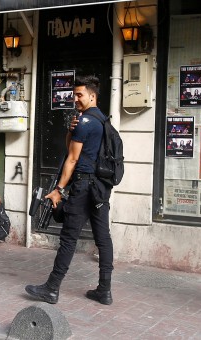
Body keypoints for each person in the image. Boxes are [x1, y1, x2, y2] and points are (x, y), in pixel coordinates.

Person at [25, 75, 114, 305]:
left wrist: (58, 189)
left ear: (92, 96)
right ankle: (104, 290)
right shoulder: (103, 121)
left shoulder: (85, 122)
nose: (75, 98)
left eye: (79, 95)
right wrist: (69, 131)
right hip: (101, 189)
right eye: (74, 94)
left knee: (68, 238)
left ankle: (52, 289)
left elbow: (72, 159)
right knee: (103, 238)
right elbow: (74, 148)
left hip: (83, 186)